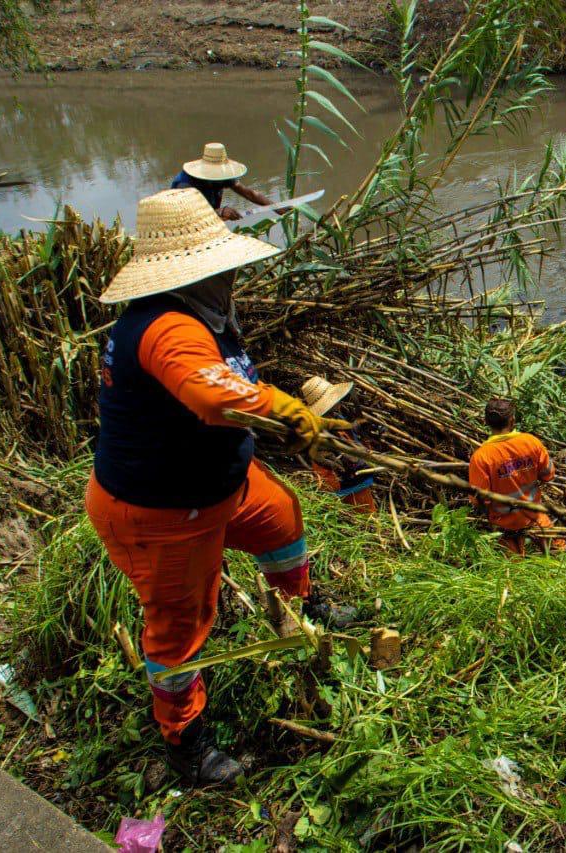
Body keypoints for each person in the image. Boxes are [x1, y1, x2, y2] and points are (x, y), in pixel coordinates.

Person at [85, 188, 351, 786]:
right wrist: (281, 408)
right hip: (164, 509)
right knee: (179, 628)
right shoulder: (166, 328)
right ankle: (186, 744)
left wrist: (279, 426)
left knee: (281, 518)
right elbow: (212, 395)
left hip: (221, 485)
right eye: (222, 264)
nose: (232, 273)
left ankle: (304, 610)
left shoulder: (200, 314)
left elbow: (219, 387)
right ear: (194, 273)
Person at [467, 398, 561, 555]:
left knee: (516, 574)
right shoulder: (531, 442)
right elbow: (548, 474)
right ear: (512, 420)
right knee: (560, 558)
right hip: (537, 521)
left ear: (486, 422)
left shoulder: (481, 457)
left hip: (505, 529)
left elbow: (478, 500)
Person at [302, 375, 377, 514]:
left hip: (357, 481)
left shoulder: (335, 417)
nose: (339, 401)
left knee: (367, 515)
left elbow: (348, 433)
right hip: (349, 486)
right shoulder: (320, 432)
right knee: (366, 519)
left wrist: (361, 427)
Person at [171, 142, 278, 222]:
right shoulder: (185, 185)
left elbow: (248, 193)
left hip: (211, 222)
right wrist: (220, 212)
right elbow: (188, 215)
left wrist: (276, 207)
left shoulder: (221, 177)